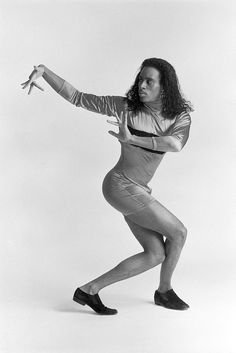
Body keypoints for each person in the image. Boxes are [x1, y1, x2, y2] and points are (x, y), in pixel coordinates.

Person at [21, 58, 193, 315]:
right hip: (120, 185)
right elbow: (78, 97)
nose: (142, 86)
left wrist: (132, 138)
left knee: (155, 254)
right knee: (178, 232)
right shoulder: (124, 107)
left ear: (164, 87)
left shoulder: (178, 117)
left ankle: (89, 290)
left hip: (138, 190)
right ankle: (164, 292)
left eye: (149, 81)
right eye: (140, 80)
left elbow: (175, 145)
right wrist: (44, 72)